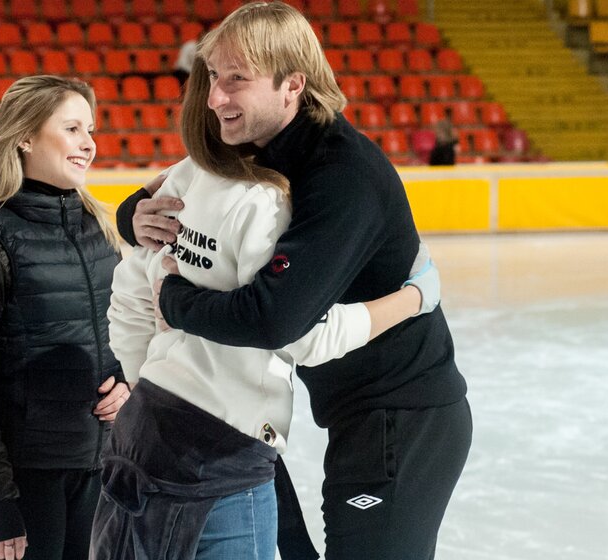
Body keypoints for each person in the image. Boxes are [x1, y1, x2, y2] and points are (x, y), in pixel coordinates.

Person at [115, 3, 472, 559]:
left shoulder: (343, 178)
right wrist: (131, 215)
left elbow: (273, 318)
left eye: (236, 79)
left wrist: (172, 297)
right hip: (324, 409)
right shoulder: (260, 146)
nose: (215, 97)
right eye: (213, 77)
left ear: (292, 86)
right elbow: (172, 188)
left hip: (401, 417)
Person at [0, 75, 131, 560]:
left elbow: (125, 336)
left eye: (90, 129)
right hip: (26, 484)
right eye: (72, 129)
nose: (89, 144)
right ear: (25, 136)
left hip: (102, 470)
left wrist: (128, 381)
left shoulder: (99, 230)